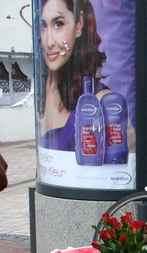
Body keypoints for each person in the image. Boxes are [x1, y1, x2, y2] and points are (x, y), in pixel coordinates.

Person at [38, 0, 135, 153]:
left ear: (79, 25)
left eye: (58, 24)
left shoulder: (102, 102)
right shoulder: (40, 96)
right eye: (44, 26)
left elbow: (127, 161)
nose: (49, 42)